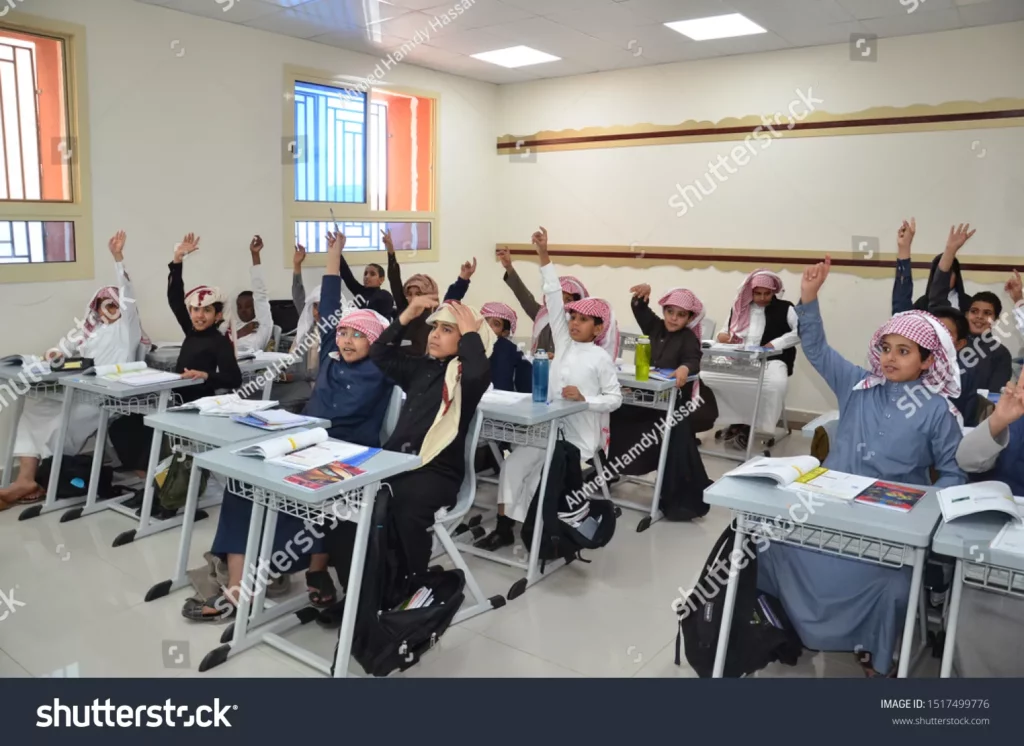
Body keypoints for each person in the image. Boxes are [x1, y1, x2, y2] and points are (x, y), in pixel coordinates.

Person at [757, 255, 965, 677]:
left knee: (892, 586)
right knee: (770, 546)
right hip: (825, 509)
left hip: (891, 524)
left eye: (903, 352)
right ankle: (780, 629)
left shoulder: (938, 412)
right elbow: (816, 349)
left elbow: (953, 473)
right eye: (886, 348)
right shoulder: (857, 387)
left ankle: (875, 650)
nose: (889, 358)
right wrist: (809, 299)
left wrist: (931, 514)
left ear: (928, 361)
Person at [182, 240, 394, 621]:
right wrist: (332, 256)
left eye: (357, 335)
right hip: (306, 439)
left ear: (376, 344)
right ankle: (236, 590)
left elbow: (395, 335)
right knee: (240, 484)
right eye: (343, 333)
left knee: (317, 505)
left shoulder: (381, 368)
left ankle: (310, 570)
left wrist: (408, 312)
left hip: (347, 455)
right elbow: (328, 305)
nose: (346, 340)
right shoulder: (331, 352)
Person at [321, 293, 493, 611]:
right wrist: (406, 316)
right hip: (397, 462)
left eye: (447, 330)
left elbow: (478, 373)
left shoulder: (465, 381)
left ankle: (409, 588)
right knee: (344, 504)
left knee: (402, 508)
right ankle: (359, 593)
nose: (435, 335)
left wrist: (470, 334)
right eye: (434, 327)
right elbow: (381, 353)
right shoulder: (421, 369)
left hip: (437, 471)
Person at [476, 228, 622, 550]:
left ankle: (541, 535)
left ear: (598, 329)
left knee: (543, 474)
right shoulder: (563, 343)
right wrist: (544, 255)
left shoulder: (600, 358)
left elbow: (615, 399)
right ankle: (504, 528)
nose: (573, 323)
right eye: (573, 318)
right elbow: (553, 297)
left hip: (579, 438)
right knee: (514, 464)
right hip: (546, 430)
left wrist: (586, 399)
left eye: (583, 320)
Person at [1, 232, 144, 509]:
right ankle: (26, 479)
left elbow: (128, 294)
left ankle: (45, 480)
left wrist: (118, 258)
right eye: (106, 305)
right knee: (35, 411)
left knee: (58, 421)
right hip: (79, 391)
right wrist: (54, 354)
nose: (111, 310)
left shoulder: (127, 330)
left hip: (106, 397)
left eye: (116, 305)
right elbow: (62, 350)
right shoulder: (90, 330)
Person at [604, 286, 717, 520]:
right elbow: (640, 309)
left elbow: (693, 360)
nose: (674, 318)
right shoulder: (654, 326)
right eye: (670, 312)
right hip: (643, 397)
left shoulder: (687, 338)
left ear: (689, 318)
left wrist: (684, 368)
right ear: (664, 311)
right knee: (613, 412)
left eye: (681, 314)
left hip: (670, 403)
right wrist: (641, 297)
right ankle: (611, 468)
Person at [951, 381, 1024, 677]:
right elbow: (967, 460)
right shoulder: (1013, 416)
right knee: (975, 626)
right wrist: (998, 421)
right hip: (999, 550)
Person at [703, 269, 798, 451]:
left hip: (771, 360)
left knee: (775, 383)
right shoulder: (740, 308)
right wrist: (725, 337)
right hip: (739, 358)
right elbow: (724, 332)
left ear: (774, 292)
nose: (762, 298)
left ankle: (753, 425)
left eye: (767, 293)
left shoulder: (786, 308)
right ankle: (734, 420)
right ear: (751, 292)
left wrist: (776, 343)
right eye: (757, 293)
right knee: (707, 377)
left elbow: (800, 332)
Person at [924, 224, 1011, 394]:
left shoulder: (1000, 354)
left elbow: (993, 399)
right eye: (974, 311)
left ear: (997, 320)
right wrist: (950, 251)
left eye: (987, 313)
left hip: (975, 418)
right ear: (966, 314)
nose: (979, 317)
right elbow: (936, 300)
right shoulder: (953, 342)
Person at [384, 228, 472, 355]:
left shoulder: (436, 315)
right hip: (401, 366)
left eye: (418, 294)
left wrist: (463, 279)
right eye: (409, 294)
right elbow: (394, 280)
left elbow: (452, 296)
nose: (413, 298)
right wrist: (391, 252)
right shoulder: (404, 309)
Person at [497, 246, 588, 356]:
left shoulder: (578, 326)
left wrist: (557, 358)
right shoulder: (541, 314)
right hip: (540, 369)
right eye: (559, 298)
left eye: (568, 300)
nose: (562, 303)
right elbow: (524, 297)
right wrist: (509, 268)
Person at [929, 306, 979, 427]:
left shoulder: (963, 375)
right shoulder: (907, 366)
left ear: (959, 344)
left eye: (945, 332)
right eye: (932, 329)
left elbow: (967, 422)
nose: (936, 336)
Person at [223, 236, 274, 353]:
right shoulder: (232, 327)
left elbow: (260, 295)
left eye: (248, 306)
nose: (243, 310)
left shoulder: (262, 327)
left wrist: (255, 255)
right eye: (239, 307)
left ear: (255, 307)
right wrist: (239, 333)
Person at [335, 233, 395, 319]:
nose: (367, 276)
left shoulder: (385, 295)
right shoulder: (360, 291)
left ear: (381, 280)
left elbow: (384, 319)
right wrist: (338, 250)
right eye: (365, 273)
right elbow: (346, 274)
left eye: (372, 274)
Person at [480, 302, 532, 393]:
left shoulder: (507, 348)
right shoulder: (468, 343)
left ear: (505, 333)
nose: (487, 326)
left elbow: (527, 385)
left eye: (496, 324)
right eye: (484, 321)